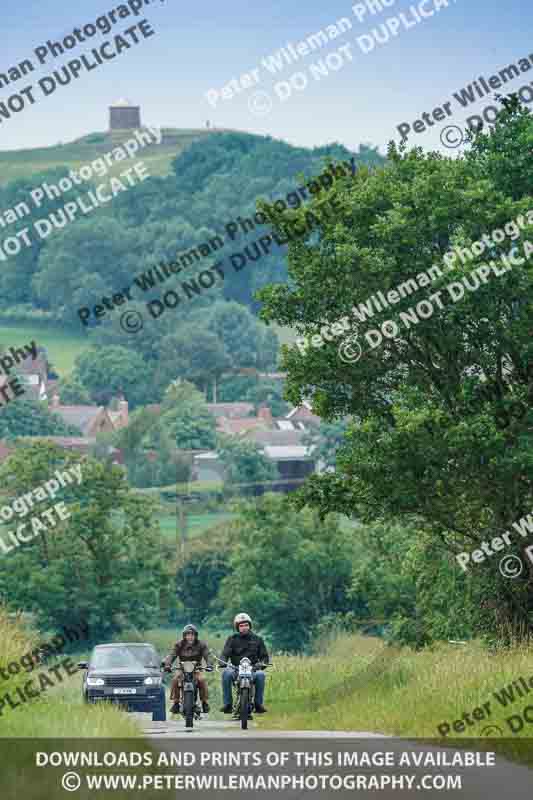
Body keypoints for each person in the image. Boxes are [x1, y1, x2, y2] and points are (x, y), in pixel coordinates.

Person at [220, 612, 269, 714]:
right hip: (236, 669)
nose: (244, 627)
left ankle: (258, 704)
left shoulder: (258, 639)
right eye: (241, 625)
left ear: (250, 626)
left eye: (246, 625)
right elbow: (225, 653)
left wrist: (262, 664)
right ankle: (227, 704)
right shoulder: (232, 639)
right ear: (237, 627)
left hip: (253, 669)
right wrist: (223, 662)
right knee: (226, 674)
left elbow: (264, 657)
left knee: (261, 675)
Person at [163, 624, 213, 715]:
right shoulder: (179, 644)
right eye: (188, 634)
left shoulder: (201, 644)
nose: (190, 637)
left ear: (195, 635)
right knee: (175, 679)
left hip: (197, 669)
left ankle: (204, 702)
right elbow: (172, 655)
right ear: (184, 636)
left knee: (202, 680)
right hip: (182, 670)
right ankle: (176, 703)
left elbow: (207, 655)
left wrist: (209, 664)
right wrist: (167, 664)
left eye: (192, 634)